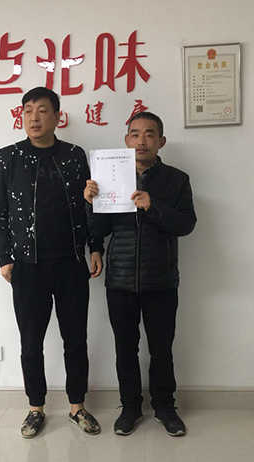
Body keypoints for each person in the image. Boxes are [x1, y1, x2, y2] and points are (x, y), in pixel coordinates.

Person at [0, 86, 103, 438]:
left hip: (71, 262)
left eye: (41, 110)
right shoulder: (8, 157)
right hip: (27, 266)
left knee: (76, 339)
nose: (33, 118)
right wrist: (4, 257)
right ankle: (35, 407)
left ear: (57, 116)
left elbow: (90, 205)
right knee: (31, 341)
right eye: (27, 111)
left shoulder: (74, 155)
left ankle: (77, 405)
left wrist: (95, 247)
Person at [84, 111, 196, 436]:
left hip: (161, 279)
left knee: (161, 348)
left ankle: (165, 407)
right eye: (135, 134)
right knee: (125, 348)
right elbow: (99, 230)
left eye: (149, 134)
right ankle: (130, 407)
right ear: (126, 140)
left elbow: (186, 224)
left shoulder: (176, 179)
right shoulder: (109, 178)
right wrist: (90, 202)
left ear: (161, 141)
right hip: (119, 279)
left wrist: (152, 205)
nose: (142, 140)